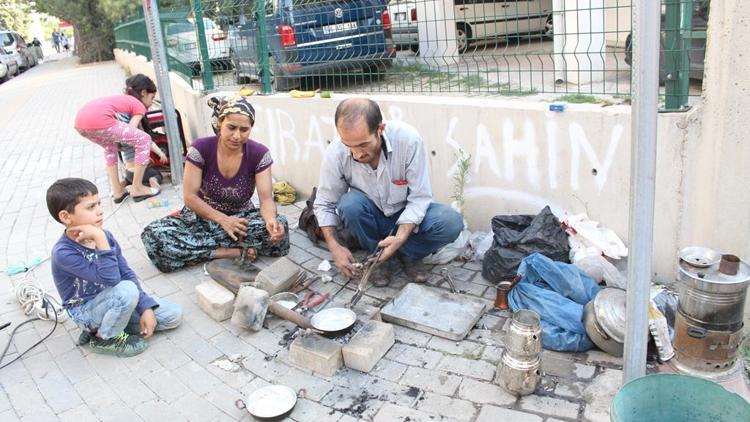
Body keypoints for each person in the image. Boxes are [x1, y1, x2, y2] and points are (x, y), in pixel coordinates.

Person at [313, 98, 464, 286]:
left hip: (406, 215)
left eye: (363, 145)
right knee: (349, 204)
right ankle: (376, 254)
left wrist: (400, 238)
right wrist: (335, 248)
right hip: (371, 217)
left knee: (451, 222)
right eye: (348, 145)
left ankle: (407, 254)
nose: (356, 154)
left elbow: (420, 197)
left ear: (380, 129)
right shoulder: (335, 152)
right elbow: (324, 203)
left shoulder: (408, 140)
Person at [141, 95, 289, 273]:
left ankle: (201, 248)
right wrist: (223, 220)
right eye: (231, 127)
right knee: (154, 236)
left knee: (281, 229)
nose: (237, 136)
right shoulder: (201, 149)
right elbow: (189, 197)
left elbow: (266, 200)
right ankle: (227, 252)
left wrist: (270, 221)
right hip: (202, 217)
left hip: (241, 219)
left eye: (244, 130)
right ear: (220, 123)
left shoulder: (259, 153)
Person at [46, 178, 183, 357]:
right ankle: (104, 338)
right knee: (126, 291)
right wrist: (99, 238)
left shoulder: (106, 236)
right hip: (87, 311)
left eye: (99, 204)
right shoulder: (64, 253)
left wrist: (145, 308)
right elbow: (112, 279)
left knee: (173, 315)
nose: (100, 211)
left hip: (116, 300)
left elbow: (125, 273)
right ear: (65, 216)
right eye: (91, 207)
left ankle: (112, 322)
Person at [74, 74, 162, 203]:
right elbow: (132, 131)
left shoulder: (123, 100)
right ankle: (137, 188)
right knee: (144, 139)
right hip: (99, 120)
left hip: (80, 123)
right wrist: (149, 153)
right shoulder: (139, 105)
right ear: (143, 92)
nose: (151, 103)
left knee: (110, 148)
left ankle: (117, 191)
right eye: (152, 97)